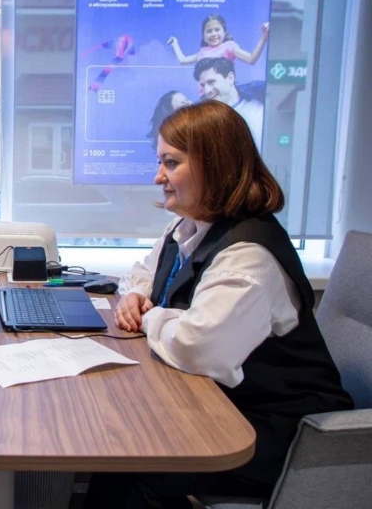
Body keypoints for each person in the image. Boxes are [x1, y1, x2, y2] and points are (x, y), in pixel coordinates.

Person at [85, 100, 353, 508]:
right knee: (121, 444)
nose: (158, 177)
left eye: (171, 163)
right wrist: (137, 294)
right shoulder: (188, 227)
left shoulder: (249, 255)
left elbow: (199, 347)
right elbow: (144, 270)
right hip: (220, 405)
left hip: (277, 432)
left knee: (132, 459)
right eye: (160, 162)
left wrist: (151, 316)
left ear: (214, 165)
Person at [193, 56, 264, 144]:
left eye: (211, 82)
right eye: (203, 85)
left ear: (230, 78)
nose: (207, 91)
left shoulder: (260, 98)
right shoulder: (203, 119)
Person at [168, 14, 269, 66]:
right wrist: (175, 44)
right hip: (206, 97)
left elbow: (251, 59)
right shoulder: (202, 52)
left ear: (224, 32)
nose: (213, 34)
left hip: (224, 96)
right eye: (209, 31)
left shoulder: (229, 47)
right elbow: (183, 60)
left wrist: (263, 38)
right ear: (203, 36)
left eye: (217, 30)